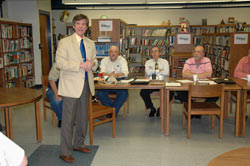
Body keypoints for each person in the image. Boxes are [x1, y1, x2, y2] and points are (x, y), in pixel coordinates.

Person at [56, 14, 98, 163]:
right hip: (70, 86)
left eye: (84, 24)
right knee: (68, 120)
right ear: (73, 26)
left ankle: (79, 144)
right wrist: (80, 65)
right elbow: (59, 62)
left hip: (86, 84)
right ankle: (65, 151)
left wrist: (92, 64)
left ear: (87, 27)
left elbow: (95, 61)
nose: (81, 26)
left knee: (82, 119)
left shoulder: (90, 43)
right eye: (78, 24)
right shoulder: (64, 42)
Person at [177, 45, 216, 118]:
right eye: (194, 51)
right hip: (190, 87)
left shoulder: (207, 60)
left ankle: (200, 110)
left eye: (198, 52)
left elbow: (209, 74)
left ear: (203, 54)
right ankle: (191, 108)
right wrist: (202, 74)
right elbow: (184, 74)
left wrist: (192, 74)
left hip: (204, 87)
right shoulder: (188, 61)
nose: (196, 53)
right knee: (180, 92)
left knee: (215, 93)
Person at [140, 46, 174, 117]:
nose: (154, 53)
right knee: (143, 92)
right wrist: (160, 70)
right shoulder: (147, 62)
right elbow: (148, 73)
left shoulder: (165, 62)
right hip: (151, 83)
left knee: (171, 93)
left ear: (160, 53)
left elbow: (166, 73)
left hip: (162, 83)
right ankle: (152, 108)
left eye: (156, 51)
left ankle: (161, 108)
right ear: (151, 54)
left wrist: (153, 71)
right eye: (152, 51)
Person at [97, 45, 129, 116]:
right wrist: (110, 75)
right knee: (100, 94)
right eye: (111, 52)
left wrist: (116, 75)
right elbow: (102, 72)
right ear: (108, 53)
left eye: (115, 52)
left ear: (118, 53)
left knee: (124, 94)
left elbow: (125, 73)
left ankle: (111, 112)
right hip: (107, 82)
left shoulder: (122, 60)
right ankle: (113, 110)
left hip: (119, 82)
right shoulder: (104, 60)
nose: (113, 53)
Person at [46, 63, 62, 128]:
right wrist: (57, 94)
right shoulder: (57, 64)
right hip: (52, 89)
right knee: (56, 100)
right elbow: (51, 80)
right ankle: (61, 119)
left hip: (65, 90)